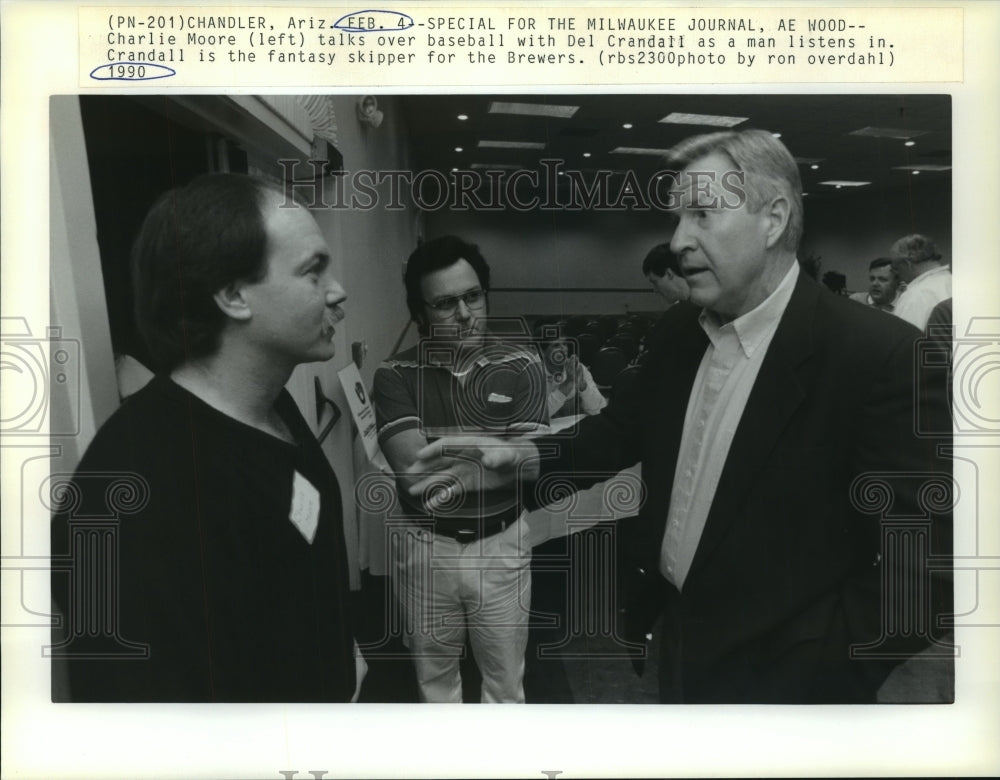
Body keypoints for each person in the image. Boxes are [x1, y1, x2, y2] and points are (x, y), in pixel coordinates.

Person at [408, 129, 951, 704]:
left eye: (701, 215)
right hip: (676, 637)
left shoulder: (879, 356)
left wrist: (818, 671)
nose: (677, 240)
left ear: (773, 219)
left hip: (794, 687)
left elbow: (925, 567)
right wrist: (526, 456)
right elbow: (621, 431)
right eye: (676, 218)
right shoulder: (678, 332)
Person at [50, 173, 363, 702]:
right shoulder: (133, 493)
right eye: (314, 271)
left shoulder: (272, 404)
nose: (338, 291)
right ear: (234, 295)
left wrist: (339, 657)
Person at [371, 235, 548, 703]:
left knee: (506, 685)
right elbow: (417, 477)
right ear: (420, 314)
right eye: (446, 304)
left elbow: (530, 466)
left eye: (473, 297)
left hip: (502, 546)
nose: (466, 314)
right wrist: (494, 457)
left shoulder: (523, 363)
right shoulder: (394, 375)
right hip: (427, 550)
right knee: (436, 683)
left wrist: (471, 460)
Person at [536, 327, 607, 418]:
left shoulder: (576, 368)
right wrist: (565, 387)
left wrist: (583, 386)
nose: (563, 349)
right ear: (542, 352)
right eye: (556, 346)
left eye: (564, 344)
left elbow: (599, 409)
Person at [890, 233, 952, 330]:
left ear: (907, 264)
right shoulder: (956, 284)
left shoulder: (914, 297)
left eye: (895, 267)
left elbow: (903, 341)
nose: (895, 273)